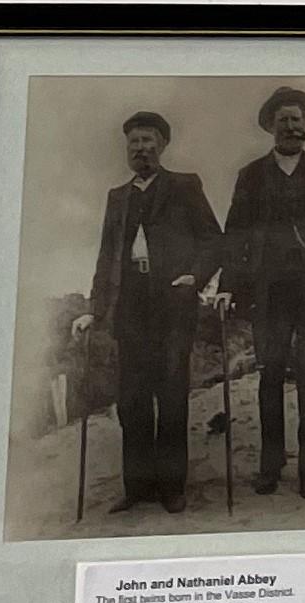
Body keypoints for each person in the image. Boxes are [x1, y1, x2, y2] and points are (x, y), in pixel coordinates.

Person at [73, 111, 221, 514]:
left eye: (149, 142)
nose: (142, 150)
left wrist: (195, 275)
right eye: (135, 143)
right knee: (132, 400)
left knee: (171, 395)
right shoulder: (117, 197)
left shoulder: (185, 186)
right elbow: (106, 260)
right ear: (127, 149)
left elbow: (213, 239)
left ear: (162, 147)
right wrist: (93, 310)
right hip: (130, 308)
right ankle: (138, 487)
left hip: (173, 306)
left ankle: (173, 487)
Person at [216, 87, 305, 501]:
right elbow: (234, 236)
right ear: (270, 127)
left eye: (297, 119)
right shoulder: (251, 176)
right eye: (283, 121)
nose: (292, 127)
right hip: (268, 291)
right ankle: (270, 464)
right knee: (270, 377)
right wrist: (227, 286)